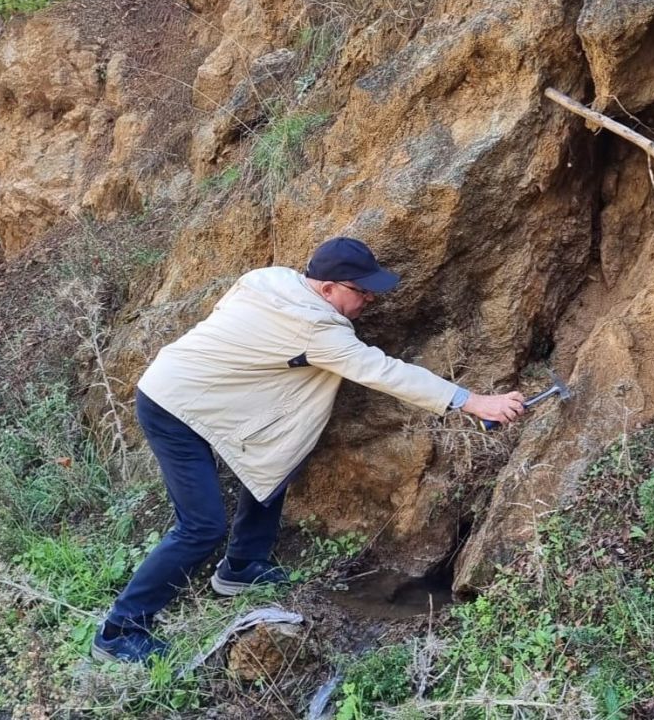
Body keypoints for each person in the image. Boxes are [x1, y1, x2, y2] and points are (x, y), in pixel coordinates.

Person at [91, 237, 525, 663]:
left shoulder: (270, 279)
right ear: (327, 289)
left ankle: (241, 568)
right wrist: (471, 401)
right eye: (362, 291)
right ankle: (121, 630)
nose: (369, 300)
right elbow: (385, 372)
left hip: (200, 393)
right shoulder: (317, 328)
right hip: (173, 408)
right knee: (202, 526)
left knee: (277, 454)